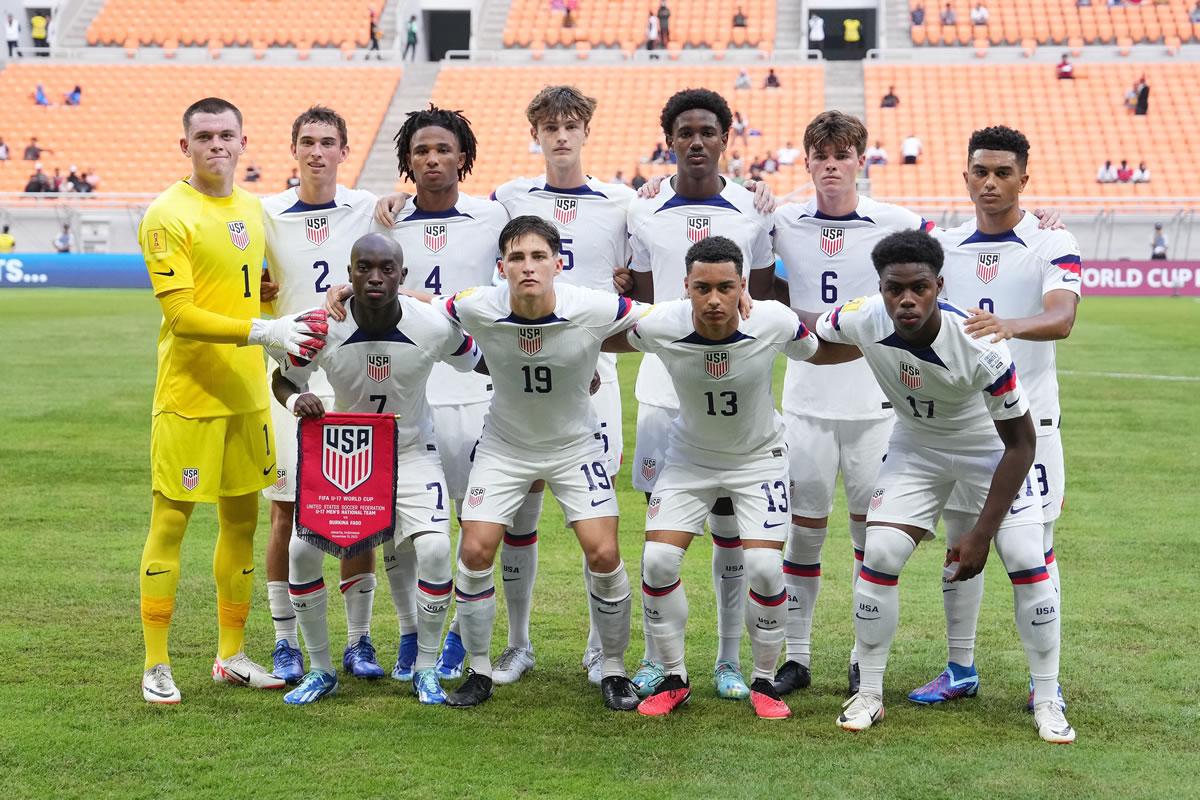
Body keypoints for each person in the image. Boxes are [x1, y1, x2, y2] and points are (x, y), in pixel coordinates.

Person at [820, 230, 1074, 745]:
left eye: (919, 288)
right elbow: (813, 335)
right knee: (881, 551)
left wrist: (982, 534)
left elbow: (1022, 445)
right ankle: (869, 693)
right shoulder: (861, 315)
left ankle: (1047, 699)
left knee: (1027, 556)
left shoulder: (979, 343)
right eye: (895, 289)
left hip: (989, 451)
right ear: (881, 288)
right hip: (917, 448)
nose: (906, 300)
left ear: (939, 285)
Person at [606, 235, 855, 719]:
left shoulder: (773, 321)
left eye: (725, 287)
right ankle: (675, 678)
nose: (714, 299)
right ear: (685, 287)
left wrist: (882, 348)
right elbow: (602, 338)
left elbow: (818, 351)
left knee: (764, 569)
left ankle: (764, 681)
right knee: (657, 561)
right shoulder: (662, 324)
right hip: (689, 459)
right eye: (702, 288)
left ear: (743, 286)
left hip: (758, 459)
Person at [137, 97, 329, 705]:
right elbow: (182, 314)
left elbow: (257, 289)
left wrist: (272, 312)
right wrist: (261, 329)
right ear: (185, 145)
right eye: (205, 136)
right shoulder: (167, 215)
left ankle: (231, 655)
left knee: (242, 523)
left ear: (244, 142)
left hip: (248, 394)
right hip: (191, 394)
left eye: (227, 135)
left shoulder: (252, 208)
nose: (217, 144)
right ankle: (156, 663)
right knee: (171, 522)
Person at [432, 216, 642, 712]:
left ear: (558, 263)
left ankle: (613, 667)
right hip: (505, 446)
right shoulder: (476, 304)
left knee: (603, 553)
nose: (529, 267)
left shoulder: (591, 306)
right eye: (518, 258)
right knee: (476, 551)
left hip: (574, 446)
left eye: (539, 256)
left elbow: (663, 317)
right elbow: (418, 307)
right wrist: (346, 296)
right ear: (501, 267)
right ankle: (479, 669)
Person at [272, 233, 478, 705]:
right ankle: (321, 669)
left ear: (403, 277)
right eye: (364, 267)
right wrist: (295, 398)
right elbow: (282, 377)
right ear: (348, 274)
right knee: (302, 554)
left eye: (387, 268)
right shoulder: (324, 327)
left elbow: (481, 361)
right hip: (348, 455)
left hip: (412, 451)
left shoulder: (432, 325)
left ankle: (425, 668)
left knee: (434, 550)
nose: (375, 277)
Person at [916, 126, 1080, 716]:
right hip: (966, 429)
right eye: (980, 171)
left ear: (1023, 179)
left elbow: (1062, 318)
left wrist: (1007, 324)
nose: (990, 183)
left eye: (1003, 172)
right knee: (963, 543)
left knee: (1033, 551)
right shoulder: (942, 243)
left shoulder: (1051, 239)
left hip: (1032, 428)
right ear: (965, 176)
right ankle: (960, 668)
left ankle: (1047, 683)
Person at [770, 110, 933, 696]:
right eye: (821, 155)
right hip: (807, 403)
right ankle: (798, 655)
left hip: (875, 407)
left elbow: (949, 268)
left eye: (843, 155)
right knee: (804, 534)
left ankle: (866, 657)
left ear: (861, 159)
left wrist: (1042, 221)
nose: (831, 165)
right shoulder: (782, 218)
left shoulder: (898, 222)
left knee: (873, 541)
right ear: (807, 160)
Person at [626, 88, 777, 701]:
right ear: (669, 140)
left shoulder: (754, 208)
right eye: (684, 131)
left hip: (734, 395)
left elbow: (765, 302)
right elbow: (635, 298)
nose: (696, 141)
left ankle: (728, 659)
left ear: (724, 138)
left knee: (731, 534)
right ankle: (655, 656)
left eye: (707, 131)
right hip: (665, 392)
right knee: (660, 537)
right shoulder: (639, 209)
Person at [365, 106, 509, 682]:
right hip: (407, 395)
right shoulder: (386, 223)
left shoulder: (493, 216)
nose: (432, 159)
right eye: (421, 151)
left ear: (462, 157)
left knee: (476, 524)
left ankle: (457, 635)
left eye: (443, 150)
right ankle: (409, 632)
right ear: (407, 160)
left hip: (475, 389)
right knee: (404, 525)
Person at [257, 106, 386, 686]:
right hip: (289, 374)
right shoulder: (265, 213)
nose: (316, 151)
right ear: (294, 150)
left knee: (359, 508)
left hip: (353, 371)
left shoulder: (368, 208)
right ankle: (286, 642)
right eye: (307, 141)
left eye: (328, 142)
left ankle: (359, 640)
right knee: (286, 507)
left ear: (343, 150)